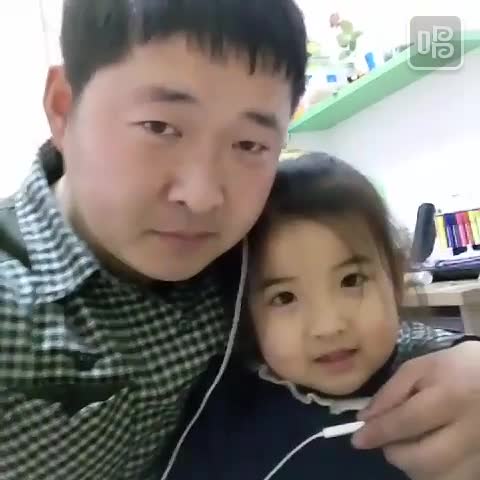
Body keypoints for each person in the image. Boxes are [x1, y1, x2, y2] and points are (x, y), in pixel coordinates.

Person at [1, 1, 480, 479]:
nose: (202, 196)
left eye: (250, 144)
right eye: (159, 127)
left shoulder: (239, 250)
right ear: (63, 108)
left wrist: (466, 358)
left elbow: (367, 324)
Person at [154, 152, 475, 480]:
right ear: (243, 313)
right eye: (284, 297)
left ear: (393, 278)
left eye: (351, 281)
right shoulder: (221, 418)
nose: (328, 326)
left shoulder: (445, 389)